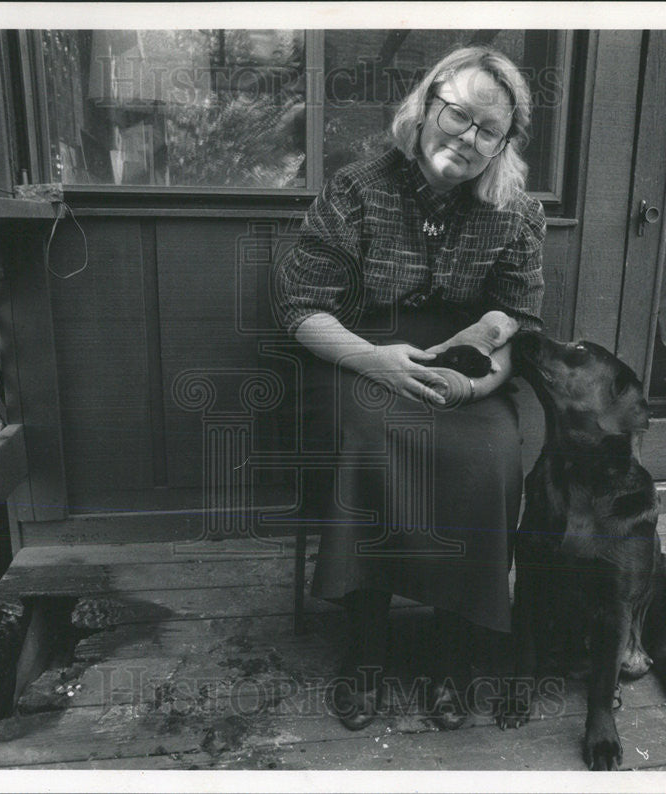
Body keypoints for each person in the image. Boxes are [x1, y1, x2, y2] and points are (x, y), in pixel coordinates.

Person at [273, 45, 545, 730]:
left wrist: (480, 380)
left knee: (488, 456)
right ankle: (366, 648)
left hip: (464, 366)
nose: (468, 137)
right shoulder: (356, 190)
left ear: (502, 143)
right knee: (369, 438)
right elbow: (302, 310)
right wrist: (378, 362)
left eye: (489, 131)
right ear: (427, 106)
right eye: (458, 115)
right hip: (361, 353)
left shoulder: (516, 210)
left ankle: (452, 653)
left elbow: (519, 316)